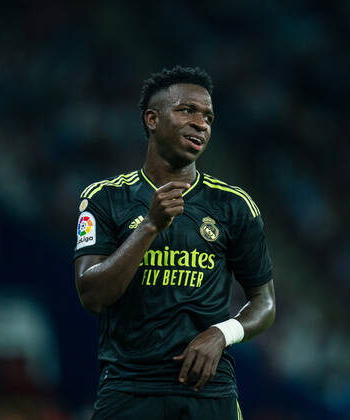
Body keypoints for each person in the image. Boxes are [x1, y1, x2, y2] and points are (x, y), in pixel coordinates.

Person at [73, 66, 276, 420]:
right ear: (152, 119)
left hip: (208, 391)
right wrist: (150, 225)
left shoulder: (233, 205)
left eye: (208, 117)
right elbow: (92, 295)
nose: (201, 123)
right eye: (187, 111)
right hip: (128, 388)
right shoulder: (105, 199)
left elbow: (265, 302)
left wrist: (221, 334)